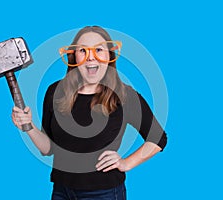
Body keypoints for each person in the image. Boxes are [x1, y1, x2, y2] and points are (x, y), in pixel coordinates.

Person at [12, 26, 167, 200]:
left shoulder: (125, 96)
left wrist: (126, 163)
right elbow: (48, 149)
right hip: (62, 191)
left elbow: (158, 138)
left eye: (98, 49)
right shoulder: (55, 91)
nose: (91, 57)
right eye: (83, 50)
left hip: (104, 193)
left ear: (109, 56)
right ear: (74, 56)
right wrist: (28, 126)